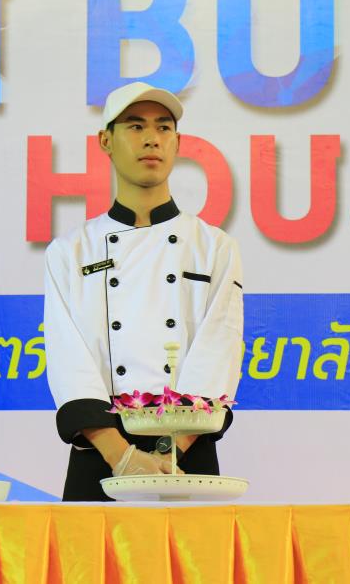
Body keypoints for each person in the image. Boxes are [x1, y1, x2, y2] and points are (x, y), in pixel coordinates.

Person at [43, 82, 244, 501]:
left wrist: (170, 451)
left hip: (188, 452)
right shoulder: (70, 251)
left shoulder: (214, 247)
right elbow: (68, 357)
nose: (152, 138)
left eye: (163, 127)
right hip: (100, 451)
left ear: (177, 143)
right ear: (106, 141)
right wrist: (122, 456)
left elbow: (219, 350)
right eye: (135, 126)